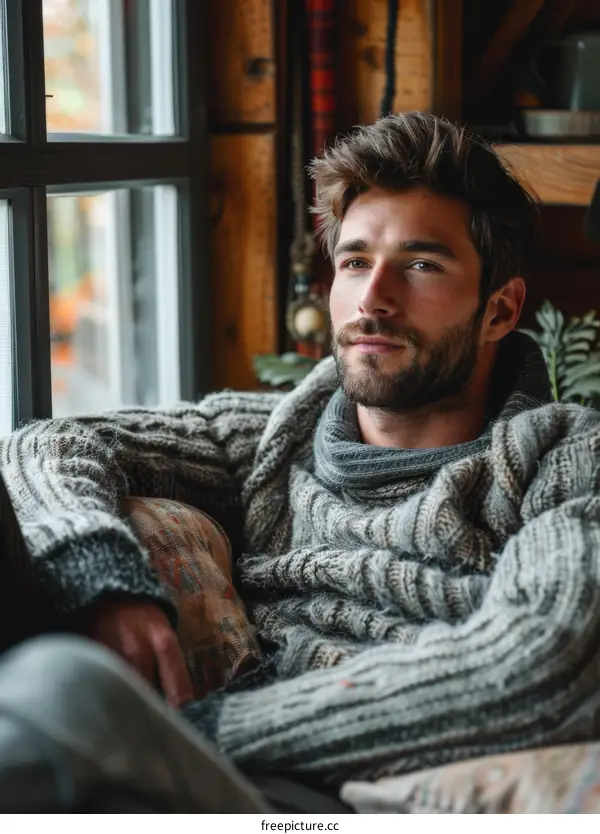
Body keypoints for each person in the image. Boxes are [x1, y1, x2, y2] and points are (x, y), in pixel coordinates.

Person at [2, 111, 600, 812]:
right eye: (353, 262)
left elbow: (540, 660)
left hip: (341, 795)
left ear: (500, 310)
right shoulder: (271, 440)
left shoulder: (566, 462)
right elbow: (46, 445)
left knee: (58, 687)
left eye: (420, 264)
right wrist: (101, 580)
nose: (372, 300)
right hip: (214, 781)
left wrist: (198, 735)